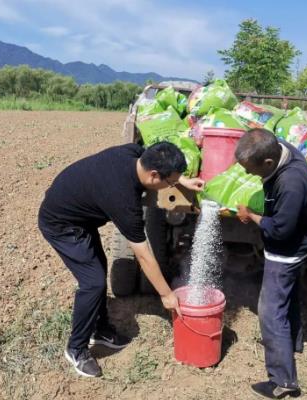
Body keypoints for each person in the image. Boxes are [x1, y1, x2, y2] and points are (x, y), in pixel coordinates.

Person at [38, 141, 204, 378]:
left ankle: (100, 329)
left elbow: (154, 162)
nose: (170, 185)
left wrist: (182, 181)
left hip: (78, 216)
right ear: (154, 175)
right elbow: (144, 255)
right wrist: (167, 295)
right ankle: (76, 349)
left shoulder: (136, 154)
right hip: (61, 224)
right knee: (93, 283)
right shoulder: (124, 198)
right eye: (169, 182)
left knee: (98, 271)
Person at [232, 128, 307, 399]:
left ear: (268, 163)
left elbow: (280, 230)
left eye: (250, 169)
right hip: (300, 245)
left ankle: (282, 381)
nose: (247, 174)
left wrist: (252, 216)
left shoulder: (291, 184)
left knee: (270, 312)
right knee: (287, 297)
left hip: (286, 252)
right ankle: (293, 343)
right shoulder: (277, 147)